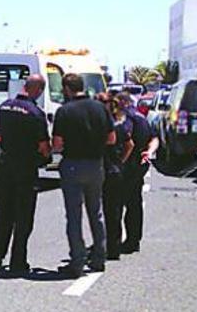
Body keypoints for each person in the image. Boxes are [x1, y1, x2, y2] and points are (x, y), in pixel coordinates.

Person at [53, 73, 115, 277]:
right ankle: (99, 257)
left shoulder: (64, 111)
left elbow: (58, 144)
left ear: (67, 89)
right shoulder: (99, 108)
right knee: (96, 213)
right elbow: (112, 138)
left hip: (73, 164)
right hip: (96, 165)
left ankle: (77, 262)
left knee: (74, 215)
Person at [0, 74, 51, 274]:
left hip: (4, 167)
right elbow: (43, 147)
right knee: (23, 217)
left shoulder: (4, 106)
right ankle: (18, 261)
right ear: (39, 90)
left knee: (4, 214)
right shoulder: (35, 113)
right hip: (25, 169)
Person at [114, 91, 159, 254]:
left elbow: (128, 143)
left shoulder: (125, 119)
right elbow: (154, 138)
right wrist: (149, 152)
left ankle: (115, 241)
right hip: (138, 165)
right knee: (134, 204)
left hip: (125, 166)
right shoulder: (142, 118)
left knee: (116, 205)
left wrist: (120, 162)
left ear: (122, 103)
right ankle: (133, 240)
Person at [97, 92, 134, 260]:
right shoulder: (113, 123)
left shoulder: (112, 125)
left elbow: (129, 145)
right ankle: (110, 246)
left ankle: (112, 247)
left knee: (111, 211)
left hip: (109, 171)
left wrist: (119, 162)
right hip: (110, 170)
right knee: (110, 211)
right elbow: (129, 145)